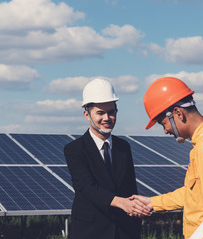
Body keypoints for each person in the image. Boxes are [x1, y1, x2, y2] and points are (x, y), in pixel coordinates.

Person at [131, 77, 203, 238]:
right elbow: (196, 195)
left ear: (178, 113)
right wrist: (153, 203)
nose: (165, 130)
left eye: (163, 123)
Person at [64, 78, 150, 239]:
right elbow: (86, 187)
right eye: (100, 113)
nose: (107, 118)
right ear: (87, 115)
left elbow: (130, 187)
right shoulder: (74, 150)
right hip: (90, 231)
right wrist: (122, 203)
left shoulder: (123, 147)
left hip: (124, 231)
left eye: (111, 112)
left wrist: (137, 210)